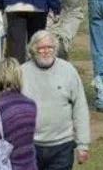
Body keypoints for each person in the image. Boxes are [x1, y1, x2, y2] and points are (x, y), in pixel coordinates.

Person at [21, 30, 91, 170]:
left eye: (50, 47)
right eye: (41, 48)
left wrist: (83, 144)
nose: (46, 51)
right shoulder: (21, 73)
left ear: (55, 49)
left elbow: (80, 108)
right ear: (33, 50)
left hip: (62, 146)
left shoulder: (68, 70)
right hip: (30, 146)